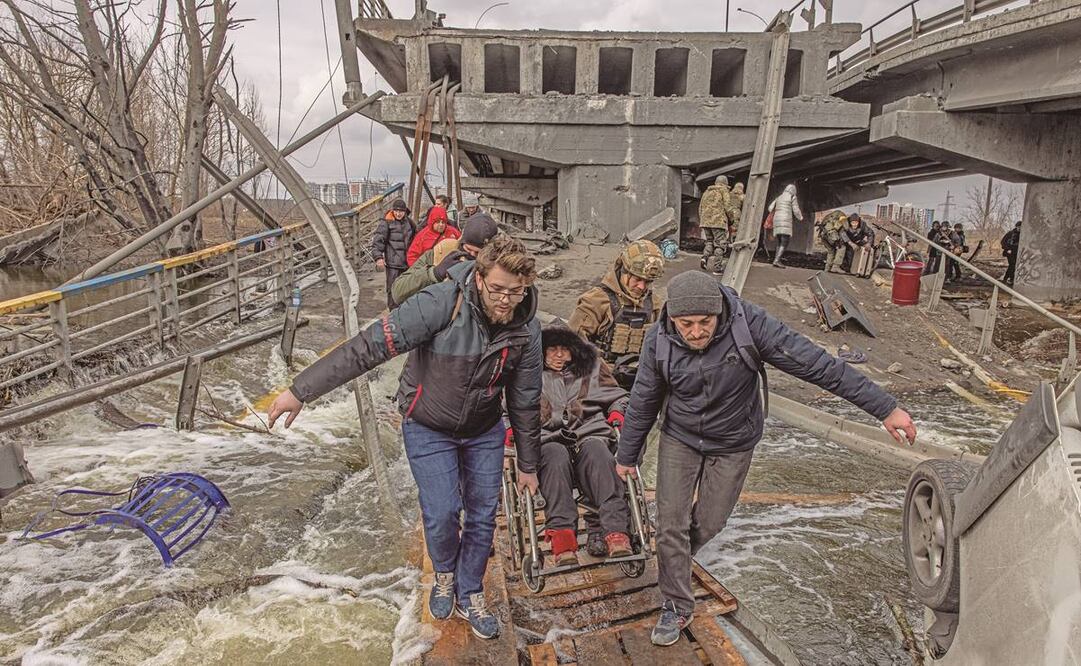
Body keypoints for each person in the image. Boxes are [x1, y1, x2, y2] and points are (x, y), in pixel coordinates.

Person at [613, 271, 916, 647]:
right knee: (670, 522)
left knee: (710, 522)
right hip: (681, 436)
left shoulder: (750, 325)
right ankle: (676, 603)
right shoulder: (658, 340)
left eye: (705, 322)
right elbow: (643, 399)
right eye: (686, 324)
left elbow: (818, 365)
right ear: (671, 317)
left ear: (719, 312)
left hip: (734, 440)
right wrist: (627, 455)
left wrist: (885, 408)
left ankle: (674, 559)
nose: (696, 332)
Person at [266, 236, 542, 640]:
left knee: (483, 515)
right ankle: (444, 575)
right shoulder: (440, 303)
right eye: (497, 289)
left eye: (515, 292)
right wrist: (301, 390)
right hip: (428, 424)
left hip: (483, 430)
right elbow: (370, 346)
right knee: (442, 510)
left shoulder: (527, 327)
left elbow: (525, 398)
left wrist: (529, 464)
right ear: (479, 277)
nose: (505, 301)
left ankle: (470, 591)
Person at [524, 322, 634, 567]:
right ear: (542, 351)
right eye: (552, 349)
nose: (559, 355)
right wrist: (511, 429)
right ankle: (563, 538)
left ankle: (616, 532)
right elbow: (506, 408)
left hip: (589, 433)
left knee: (598, 452)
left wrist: (617, 413)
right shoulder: (527, 372)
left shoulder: (592, 368)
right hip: (547, 438)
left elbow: (619, 396)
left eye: (565, 349)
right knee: (554, 456)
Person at [568, 240, 664, 392]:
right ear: (623, 271)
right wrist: (604, 371)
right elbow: (574, 343)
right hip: (600, 380)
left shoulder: (654, 304)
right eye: (637, 279)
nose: (642, 287)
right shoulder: (597, 300)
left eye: (648, 281)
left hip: (639, 379)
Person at [391, 213, 500, 305]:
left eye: (478, 253)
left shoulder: (499, 266)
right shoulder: (441, 252)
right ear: (462, 241)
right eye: (468, 249)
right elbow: (398, 292)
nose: (472, 255)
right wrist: (434, 273)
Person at [371, 198, 416, 308]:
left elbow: (416, 238)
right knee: (392, 290)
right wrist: (378, 257)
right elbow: (378, 241)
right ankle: (393, 312)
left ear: (405, 211)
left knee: (407, 290)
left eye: (401, 211)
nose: (398, 214)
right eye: (396, 211)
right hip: (393, 264)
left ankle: (405, 312)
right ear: (393, 210)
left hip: (407, 263)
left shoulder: (409, 222)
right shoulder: (386, 222)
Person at [697, 176, 734, 274]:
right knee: (720, 244)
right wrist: (731, 220)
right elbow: (728, 207)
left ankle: (704, 258)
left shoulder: (707, 192)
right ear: (725, 183)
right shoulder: (724, 191)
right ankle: (717, 268)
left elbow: (700, 208)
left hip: (705, 222)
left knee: (709, 241)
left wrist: (703, 220)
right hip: (718, 222)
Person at [767, 184, 803, 268]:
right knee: (785, 242)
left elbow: (770, 208)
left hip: (776, 220)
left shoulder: (779, 197)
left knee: (779, 241)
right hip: (785, 220)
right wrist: (800, 217)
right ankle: (777, 261)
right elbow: (796, 210)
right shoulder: (792, 197)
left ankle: (776, 260)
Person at [1001, 220, 1021, 285]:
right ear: (1016, 227)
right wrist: (1007, 249)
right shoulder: (1010, 233)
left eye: (1021, 227)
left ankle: (1008, 278)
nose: (1020, 228)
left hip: (1016, 253)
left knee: (1013, 265)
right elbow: (1002, 242)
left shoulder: (1022, 235)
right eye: (1019, 227)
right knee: (1012, 264)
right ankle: (1008, 278)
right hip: (1009, 252)